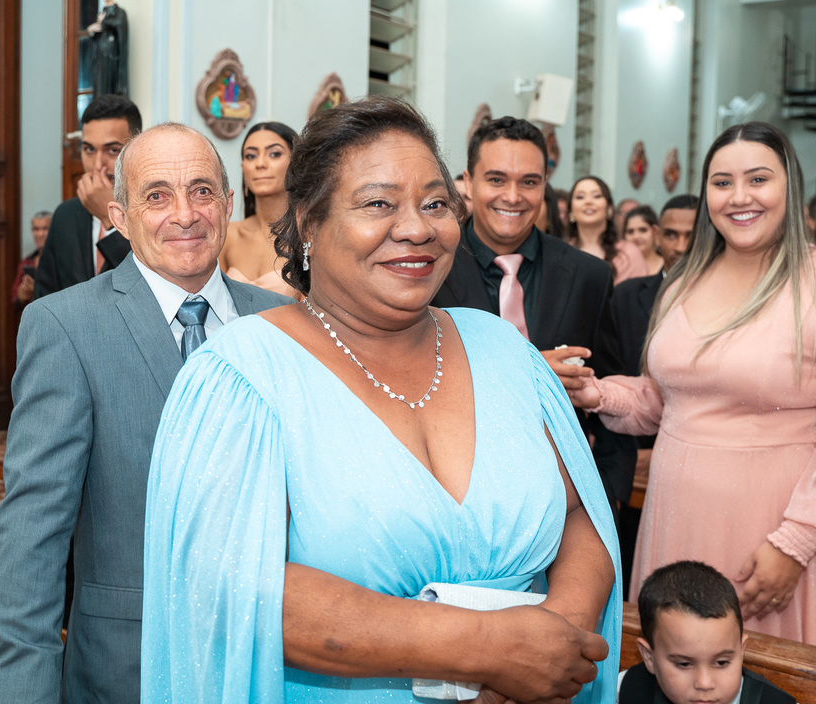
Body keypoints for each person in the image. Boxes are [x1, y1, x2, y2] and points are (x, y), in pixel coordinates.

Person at [142, 96, 622, 703]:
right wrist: (489, 651)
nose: (417, 228)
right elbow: (230, 584)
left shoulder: (505, 351)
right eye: (378, 204)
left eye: (436, 203)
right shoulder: (240, 374)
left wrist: (557, 643)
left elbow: (581, 515)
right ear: (308, 223)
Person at [0, 123, 290, 703]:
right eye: (157, 196)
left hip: (272, 662)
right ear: (120, 218)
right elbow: (32, 540)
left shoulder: (282, 323)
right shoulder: (66, 326)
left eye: (202, 191)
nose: (185, 214)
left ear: (229, 204)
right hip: (127, 666)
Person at [572, 122, 816, 650]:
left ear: (790, 185)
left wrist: (796, 543)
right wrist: (597, 394)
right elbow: (664, 402)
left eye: (758, 179)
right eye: (722, 183)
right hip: (675, 514)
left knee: (757, 668)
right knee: (672, 661)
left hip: (770, 527)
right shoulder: (684, 280)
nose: (740, 196)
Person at [431, 116, 636, 513]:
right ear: (468, 182)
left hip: (565, 497)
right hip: (455, 491)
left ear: (545, 185)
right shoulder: (430, 269)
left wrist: (608, 493)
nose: (513, 196)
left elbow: (612, 383)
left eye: (529, 181)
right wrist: (532, 371)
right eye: (496, 179)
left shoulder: (588, 276)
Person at [611, 195, 698, 593]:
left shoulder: (732, 302)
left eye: (691, 235)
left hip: (698, 462)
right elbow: (614, 374)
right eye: (672, 235)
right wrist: (632, 455)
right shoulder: (626, 296)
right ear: (657, 236)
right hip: (633, 462)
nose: (681, 246)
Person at [620, 560, 793, 704]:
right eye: (684, 664)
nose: (704, 683)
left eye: (721, 662)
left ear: (741, 651)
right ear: (649, 657)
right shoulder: (625, 689)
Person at [34, 94, 142, 298]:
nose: (98, 165)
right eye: (89, 149)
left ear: (137, 150)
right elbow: (45, 297)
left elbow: (149, 289)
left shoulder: (153, 212)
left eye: (113, 150)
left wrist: (109, 220)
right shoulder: (65, 215)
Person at [219, 121, 300, 299]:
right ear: (244, 169)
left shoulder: (307, 236)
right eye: (251, 156)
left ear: (296, 163)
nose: (260, 163)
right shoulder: (227, 234)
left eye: (274, 154)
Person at [567, 176, 648, 284]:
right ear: (571, 212)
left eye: (597, 196)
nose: (588, 201)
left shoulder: (629, 254)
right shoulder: (562, 253)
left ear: (609, 209)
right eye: (580, 197)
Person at [87, 0, 128, 97]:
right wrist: (91, 31)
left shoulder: (119, 12)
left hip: (111, 54)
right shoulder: (103, 12)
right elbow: (99, 30)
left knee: (110, 84)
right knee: (100, 84)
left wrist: (104, 22)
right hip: (100, 54)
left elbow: (119, 24)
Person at [11, 210, 52, 307]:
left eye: (45, 229)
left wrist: (36, 290)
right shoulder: (26, 262)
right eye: (36, 229)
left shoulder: (60, 261)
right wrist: (20, 295)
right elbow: (14, 298)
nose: (40, 234)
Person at [623, 205, 663, 276]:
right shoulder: (620, 268)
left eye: (643, 230)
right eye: (630, 232)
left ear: (655, 231)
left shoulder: (667, 265)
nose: (636, 237)